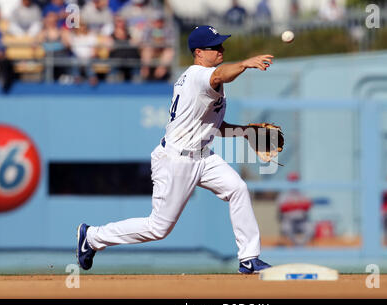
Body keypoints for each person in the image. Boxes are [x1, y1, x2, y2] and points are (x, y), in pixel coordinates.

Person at [77, 25, 274, 274]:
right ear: (199, 52)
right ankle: (92, 237)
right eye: (215, 47)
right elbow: (221, 74)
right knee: (158, 228)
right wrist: (245, 64)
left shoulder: (204, 78)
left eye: (222, 44)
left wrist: (245, 132)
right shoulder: (198, 75)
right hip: (176, 159)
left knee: (238, 189)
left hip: (202, 156)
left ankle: (249, 258)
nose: (221, 49)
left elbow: (210, 125)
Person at [277, 172, 314, 246]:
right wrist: (299, 205)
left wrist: (292, 205)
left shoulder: (303, 193)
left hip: (302, 221)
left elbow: (308, 205)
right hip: (289, 221)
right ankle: (295, 245)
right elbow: (282, 208)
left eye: (295, 180)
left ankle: (302, 245)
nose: (294, 182)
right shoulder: (284, 195)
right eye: (292, 180)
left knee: (310, 228)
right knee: (286, 228)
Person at [139, 10, 174, 81]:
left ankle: (160, 72)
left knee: (169, 52)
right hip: (152, 50)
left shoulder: (168, 30)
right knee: (147, 51)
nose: (158, 23)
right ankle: (146, 72)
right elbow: (144, 42)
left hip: (162, 51)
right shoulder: (148, 29)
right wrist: (154, 43)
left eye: (160, 21)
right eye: (156, 21)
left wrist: (162, 42)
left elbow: (172, 43)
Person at [106, 14, 140, 81]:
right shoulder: (111, 36)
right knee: (112, 75)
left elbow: (137, 44)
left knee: (137, 75)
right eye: (119, 21)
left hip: (131, 61)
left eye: (123, 21)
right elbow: (109, 47)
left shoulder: (130, 34)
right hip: (116, 61)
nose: (121, 23)